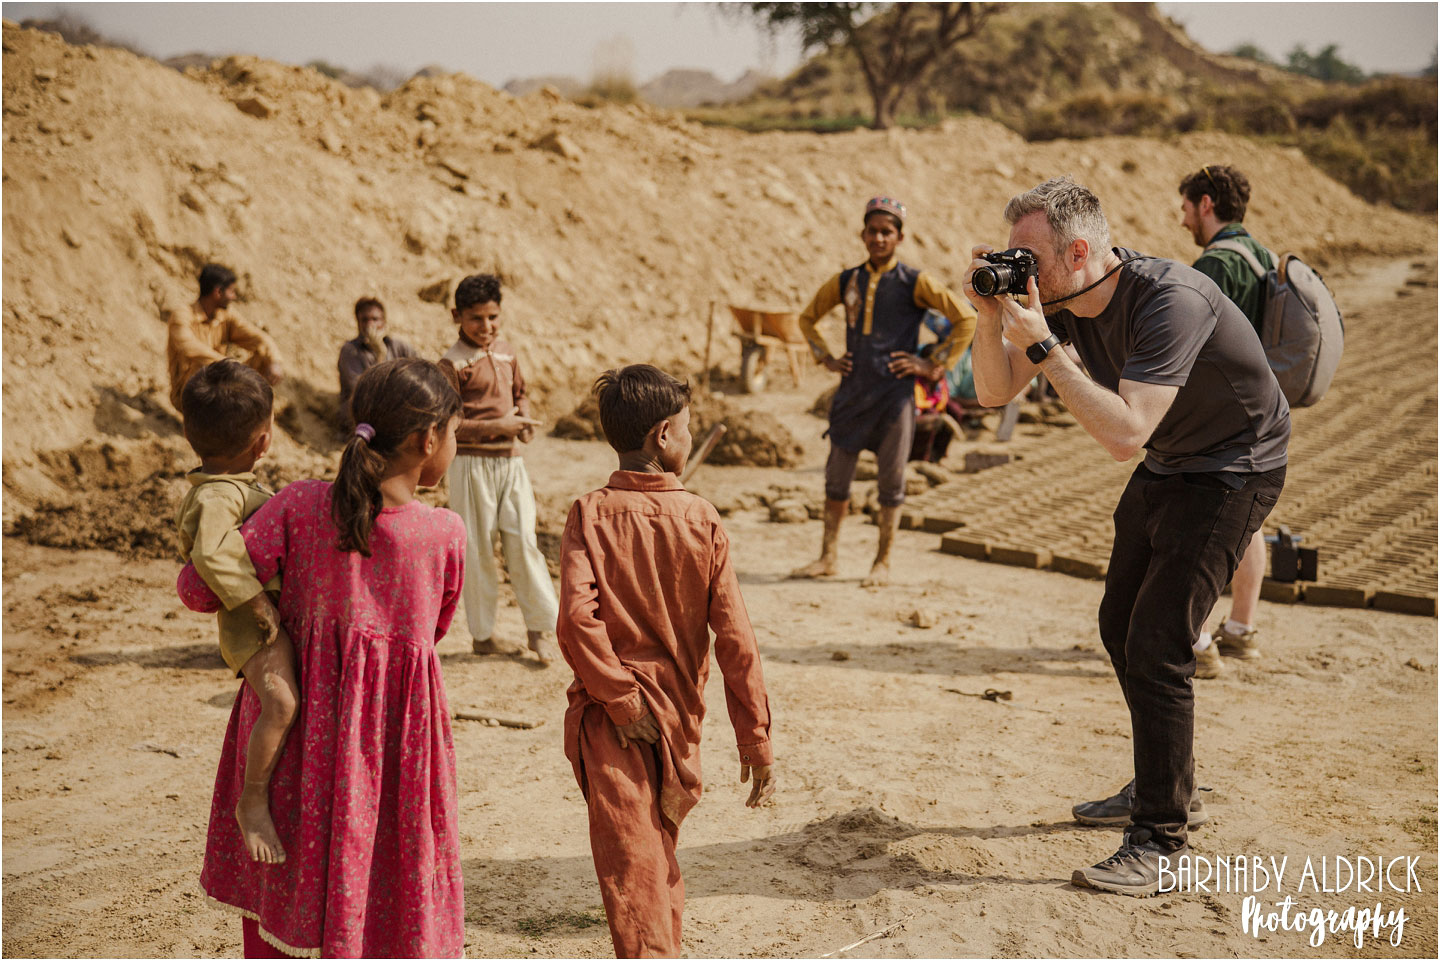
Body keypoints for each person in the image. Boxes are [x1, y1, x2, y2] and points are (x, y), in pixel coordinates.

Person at [966, 177, 1288, 896]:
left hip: (1237, 464)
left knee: (1159, 639)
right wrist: (993, 317)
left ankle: (1159, 836)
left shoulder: (1168, 298)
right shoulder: (1068, 300)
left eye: (1028, 258)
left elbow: (1124, 432)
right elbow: (992, 391)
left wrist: (1045, 344)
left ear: (1079, 251)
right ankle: (1163, 782)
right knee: (1119, 621)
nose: (1019, 271)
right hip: (1173, 459)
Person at [178, 358, 466, 957]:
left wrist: (265, 612)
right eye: (455, 433)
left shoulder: (295, 506)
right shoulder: (442, 534)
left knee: (286, 896)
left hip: (296, 750)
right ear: (428, 439)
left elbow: (197, 588)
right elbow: (431, 631)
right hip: (391, 755)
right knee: (389, 879)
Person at [558, 365, 775, 958]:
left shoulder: (588, 512)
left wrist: (621, 700)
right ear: (661, 435)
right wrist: (755, 740)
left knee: (638, 863)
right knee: (651, 855)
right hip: (675, 718)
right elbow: (735, 638)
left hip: (614, 721)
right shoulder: (701, 518)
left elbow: (577, 621)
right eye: (685, 427)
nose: (687, 436)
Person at [790, 196, 977, 587]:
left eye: (886, 232)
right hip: (852, 395)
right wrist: (825, 357)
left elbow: (964, 320)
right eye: (872, 231)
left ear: (899, 237)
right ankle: (827, 557)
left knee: (891, 482)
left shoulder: (915, 282)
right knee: (836, 479)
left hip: (895, 399)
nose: (878, 238)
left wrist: (931, 363)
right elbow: (808, 318)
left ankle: (883, 561)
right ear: (863, 234)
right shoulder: (847, 281)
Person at [175, 359, 296, 866]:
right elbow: (213, 556)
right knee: (282, 704)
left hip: (260, 618)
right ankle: (252, 799)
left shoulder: (227, 487)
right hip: (254, 627)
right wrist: (260, 604)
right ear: (263, 441)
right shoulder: (218, 497)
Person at [1179, 164, 1275, 674]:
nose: (1183, 220)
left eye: (1186, 208)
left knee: (1193, 523)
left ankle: (1197, 643)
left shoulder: (1216, 265)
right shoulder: (1260, 255)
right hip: (1261, 410)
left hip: (1218, 417)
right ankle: (1241, 629)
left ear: (1207, 204)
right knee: (1248, 519)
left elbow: (1184, 346)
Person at [439, 273, 560, 665]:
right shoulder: (451, 363)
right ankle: (483, 635)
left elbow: (520, 394)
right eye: (476, 318)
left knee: (524, 542)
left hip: (510, 465)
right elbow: (449, 423)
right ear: (457, 315)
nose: (486, 327)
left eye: (493, 317)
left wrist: (523, 421)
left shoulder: (507, 353)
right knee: (476, 551)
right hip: (470, 466)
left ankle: (538, 630)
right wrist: (499, 427)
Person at [166, 263, 283, 412]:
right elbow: (189, 348)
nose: (234, 297)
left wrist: (275, 360)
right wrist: (228, 365)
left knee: (263, 355)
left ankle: (245, 412)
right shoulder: (182, 315)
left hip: (217, 387)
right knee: (203, 366)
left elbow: (258, 337)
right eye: (231, 292)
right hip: (189, 393)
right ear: (218, 292)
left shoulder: (226, 316)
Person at [337, 296, 417, 428]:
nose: (370, 324)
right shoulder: (350, 351)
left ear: (384, 322)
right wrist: (380, 354)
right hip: (362, 417)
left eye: (375, 319)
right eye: (365, 320)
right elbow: (364, 393)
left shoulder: (399, 346)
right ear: (358, 323)